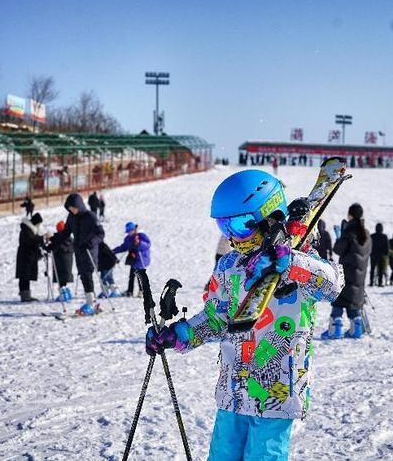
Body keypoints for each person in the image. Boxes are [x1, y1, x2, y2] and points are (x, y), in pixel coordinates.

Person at [144, 169, 342, 460]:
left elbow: (332, 284)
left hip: (277, 393)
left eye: (239, 225)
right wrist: (177, 335)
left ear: (268, 215)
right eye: (225, 228)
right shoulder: (229, 265)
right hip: (232, 392)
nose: (232, 236)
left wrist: (290, 262)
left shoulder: (298, 262)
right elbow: (215, 317)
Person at [322, 203, 370, 339]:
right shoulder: (366, 234)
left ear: (350, 215)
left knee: (339, 301)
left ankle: (335, 331)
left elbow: (338, 249)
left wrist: (340, 236)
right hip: (359, 277)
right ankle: (357, 330)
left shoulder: (349, 232)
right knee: (353, 302)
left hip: (346, 274)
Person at [51, 193, 105, 315]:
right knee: (83, 275)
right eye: (70, 209)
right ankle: (92, 302)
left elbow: (100, 234)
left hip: (89, 250)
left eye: (73, 208)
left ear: (79, 205)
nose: (72, 210)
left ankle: (91, 303)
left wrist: (91, 242)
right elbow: (65, 233)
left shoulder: (90, 216)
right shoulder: (71, 218)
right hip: (78, 250)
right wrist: (53, 243)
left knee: (87, 274)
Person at [112, 222, 151, 297]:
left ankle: (142, 291)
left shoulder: (141, 236)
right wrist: (113, 251)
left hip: (141, 258)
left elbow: (147, 245)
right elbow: (123, 247)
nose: (129, 233)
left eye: (130, 231)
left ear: (134, 230)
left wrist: (139, 243)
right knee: (131, 276)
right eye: (128, 232)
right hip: (134, 258)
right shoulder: (128, 238)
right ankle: (130, 291)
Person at [15, 213, 45, 302]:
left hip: (28, 256)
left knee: (26, 275)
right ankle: (24, 295)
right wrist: (41, 238)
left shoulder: (31, 230)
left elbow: (34, 241)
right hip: (25, 256)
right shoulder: (26, 229)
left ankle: (26, 294)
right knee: (24, 276)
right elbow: (31, 240)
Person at [45, 220, 74, 302]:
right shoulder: (70, 239)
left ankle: (63, 294)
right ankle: (66, 293)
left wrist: (45, 245)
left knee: (60, 277)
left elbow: (50, 247)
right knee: (65, 276)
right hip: (69, 261)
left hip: (59, 262)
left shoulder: (57, 239)